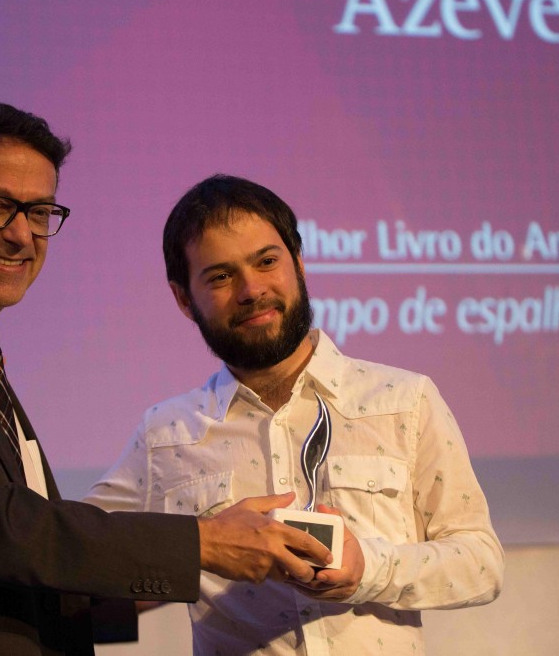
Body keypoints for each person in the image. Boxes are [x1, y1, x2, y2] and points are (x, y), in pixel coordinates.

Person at [0, 105, 331, 655]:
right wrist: (199, 545)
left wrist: (185, 574)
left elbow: (22, 569)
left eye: (39, 211)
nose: (20, 235)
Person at [84, 174, 504, 654]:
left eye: (266, 262)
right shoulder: (166, 436)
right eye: (220, 276)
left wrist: (368, 568)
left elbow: (481, 564)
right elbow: (82, 558)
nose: (251, 289)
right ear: (184, 299)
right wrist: (193, 555)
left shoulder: (403, 401)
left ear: (299, 264)